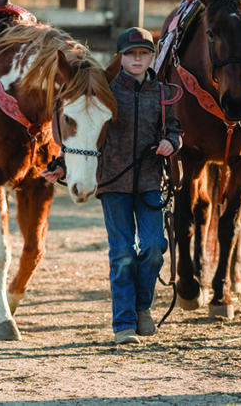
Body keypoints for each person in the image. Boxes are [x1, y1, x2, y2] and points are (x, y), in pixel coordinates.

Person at [48, 27, 182, 345]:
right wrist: (63, 165)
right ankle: (124, 323)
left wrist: (170, 142)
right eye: (130, 54)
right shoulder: (103, 88)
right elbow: (86, 133)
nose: (137, 59)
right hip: (112, 181)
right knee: (121, 253)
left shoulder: (164, 92)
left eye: (144, 54)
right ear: (119, 58)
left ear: (152, 56)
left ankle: (141, 307)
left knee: (153, 248)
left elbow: (175, 130)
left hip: (151, 180)